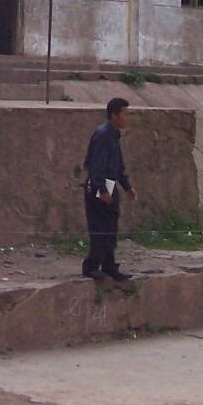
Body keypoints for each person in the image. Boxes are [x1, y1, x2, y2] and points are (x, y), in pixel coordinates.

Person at [82, 97, 137, 283]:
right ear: (114, 115)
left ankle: (109, 265)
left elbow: (118, 166)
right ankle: (91, 266)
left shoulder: (114, 136)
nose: (127, 118)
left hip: (110, 186)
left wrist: (127, 186)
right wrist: (102, 190)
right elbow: (97, 166)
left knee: (111, 228)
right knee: (99, 228)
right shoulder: (102, 136)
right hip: (99, 189)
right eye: (124, 114)